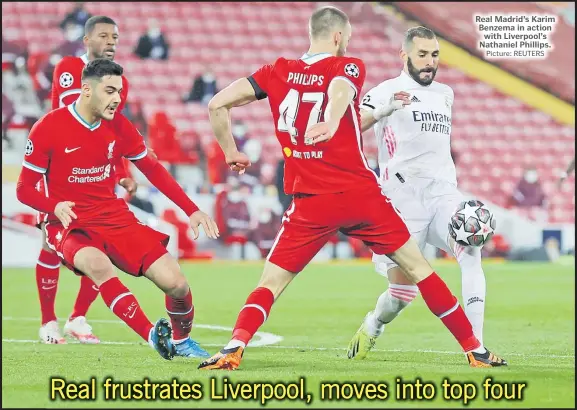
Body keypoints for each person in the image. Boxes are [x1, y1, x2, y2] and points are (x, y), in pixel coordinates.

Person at [198, 6, 507, 370]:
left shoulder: (274, 71)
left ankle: (234, 345)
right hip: (360, 196)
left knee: (271, 282)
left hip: (311, 201)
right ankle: (475, 350)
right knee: (420, 270)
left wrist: (230, 151)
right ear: (338, 37)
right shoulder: (348, 66)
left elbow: (217, 103)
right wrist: (330, 120)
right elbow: (341, 89)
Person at [16, 59, 218, 360]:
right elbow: (23, 189)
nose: (117, 99)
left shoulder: (120, 125)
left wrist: (192, 210)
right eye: (109, 91)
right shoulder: (48, 128)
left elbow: (152, 169)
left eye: (119, 92)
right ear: (86, 90)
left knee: (176, 283)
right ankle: (151, 334)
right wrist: (53, 206)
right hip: (70, 223)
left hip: (114, 216)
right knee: (98, 267)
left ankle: (182, 341)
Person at [347, 26, 494, 361]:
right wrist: (382, 111)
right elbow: (352, 122)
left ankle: (478, 348)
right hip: (402, 199)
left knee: (471, 249)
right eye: (422, 55)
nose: (430, 62)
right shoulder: (387, 90)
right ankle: (373, 325)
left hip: (443, 194)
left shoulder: (445, 94)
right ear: (405, 55)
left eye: (435, 55)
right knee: (401, 294)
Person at [34, 16, 136, 346]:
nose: (111, 41)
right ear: (86, 39)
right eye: (103, 36)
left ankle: (78, 317)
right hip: (61, 171)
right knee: (51, 243)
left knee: (104, 245)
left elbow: (113, 130)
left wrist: (123, 172)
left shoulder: (119, 81)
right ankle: (48, 322)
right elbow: (68, 114)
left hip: (98, 174)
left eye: (115, 37)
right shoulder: (68, 67)